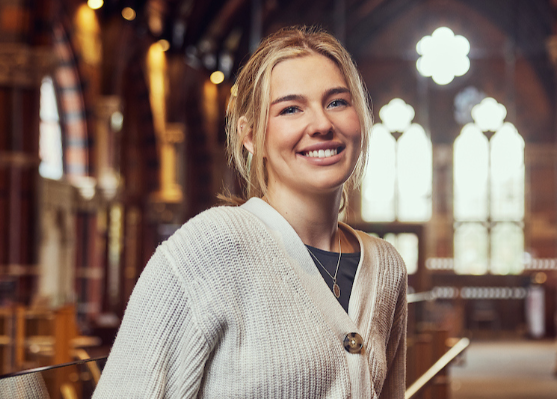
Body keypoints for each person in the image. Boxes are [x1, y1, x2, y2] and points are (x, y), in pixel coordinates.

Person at [93, 26, 407, 398]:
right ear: (251, 135)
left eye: (337, 102)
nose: (322, 124)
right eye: (291, 108)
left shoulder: (386, 266)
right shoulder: (209, 247)